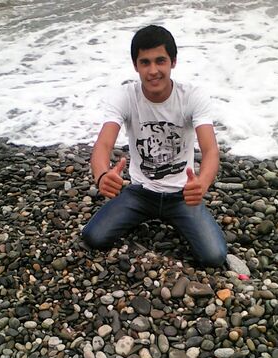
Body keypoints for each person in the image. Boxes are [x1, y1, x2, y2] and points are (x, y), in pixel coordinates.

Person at [82, 24, 227, 267]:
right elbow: (103, 144)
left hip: (182, 195)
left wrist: (202, 183)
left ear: (173, 62)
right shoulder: (125, 96)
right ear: (135, 66)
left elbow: (210, 149)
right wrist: (102, 176)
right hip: (141, 192)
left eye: (160, 61)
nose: (153, 71)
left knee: (214, 257)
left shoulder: (192, 97)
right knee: (93, 237)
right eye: (145, 62)